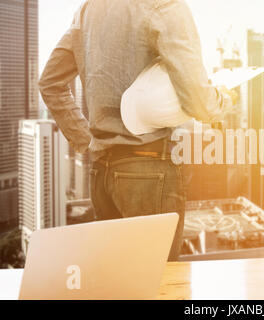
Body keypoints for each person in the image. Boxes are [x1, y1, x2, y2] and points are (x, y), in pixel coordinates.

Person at [39, 0, 233, 261]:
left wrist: (88, 142)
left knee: (120, 282)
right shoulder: (165, 5)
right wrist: (226, 99)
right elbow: (197, 100)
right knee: (157, 283)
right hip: (149, 171)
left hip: (101, 173)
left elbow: (50, 83)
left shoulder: (88, 9)